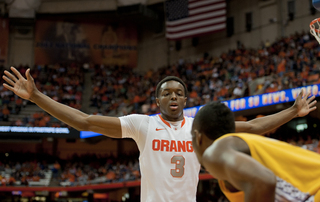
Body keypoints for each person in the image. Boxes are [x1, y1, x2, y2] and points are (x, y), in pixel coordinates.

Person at [2, 68, 317, 202]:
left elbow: (253, 128)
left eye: (179, 93)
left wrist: (292, 111)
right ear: (157, 100)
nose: (174, 97)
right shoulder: (143, 124)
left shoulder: (199, 126)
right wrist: (37, 97)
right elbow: (84, 121)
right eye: (167, 93)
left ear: (185, 98)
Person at [191, 101, 320, 202]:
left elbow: (264, 181)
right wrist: (293, 110)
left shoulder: (215, 153)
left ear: (198, 138)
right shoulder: (236, 145)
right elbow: (253, 126)